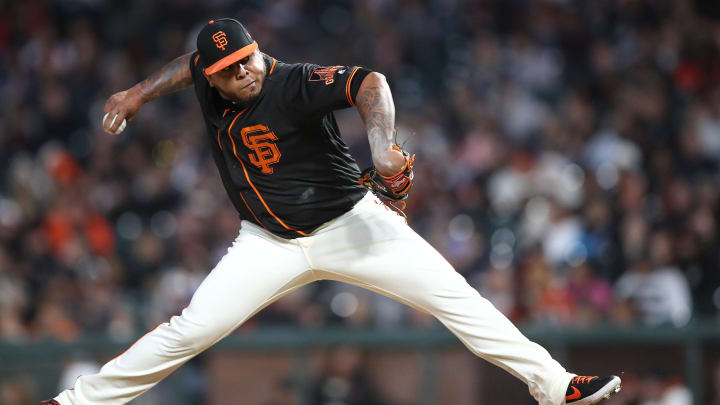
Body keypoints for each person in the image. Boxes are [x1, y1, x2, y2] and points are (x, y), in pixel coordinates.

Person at [43, 18, 621, 405]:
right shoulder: (207, 74)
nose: (244, 71)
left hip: (353, 224)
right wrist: (139, 92)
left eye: (247, 60)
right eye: (230, 68)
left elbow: (371, 82)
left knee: (456, 297)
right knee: (191, 329)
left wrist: (380, 141)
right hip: (267, 241)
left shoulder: (291, 82)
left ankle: (557, 385)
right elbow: (184, 65)